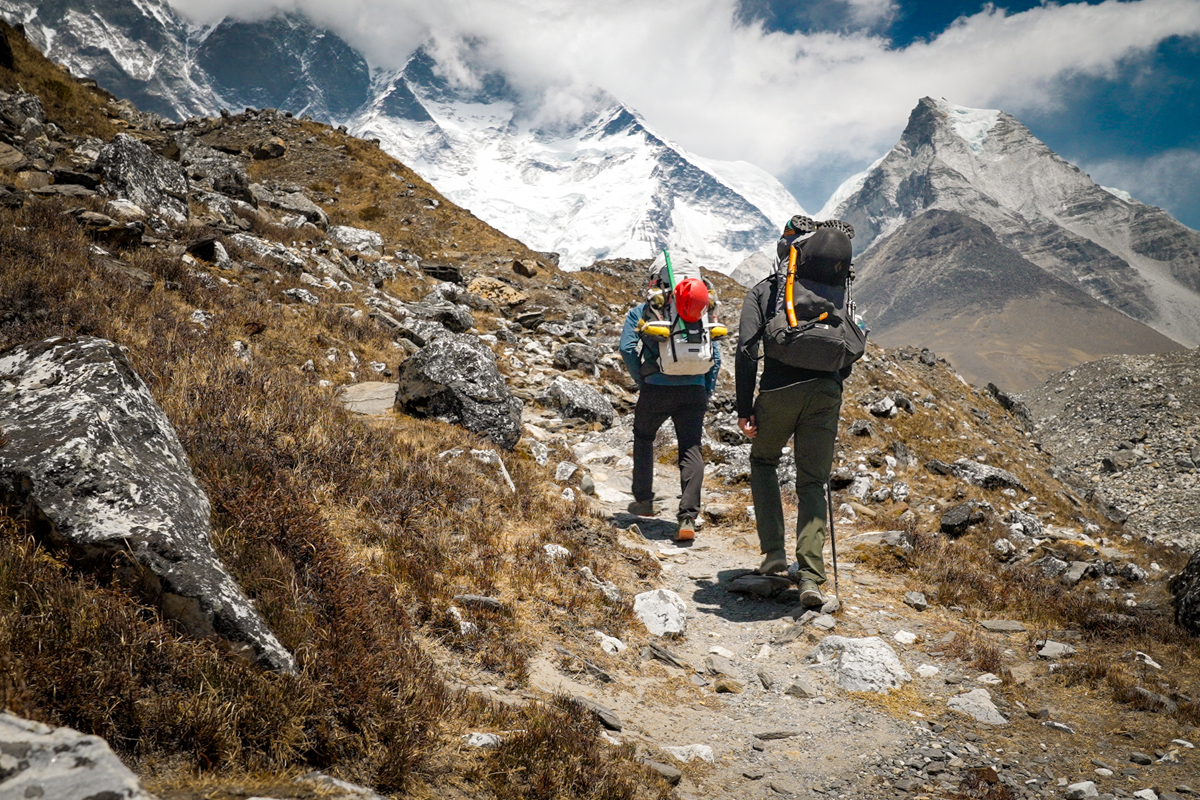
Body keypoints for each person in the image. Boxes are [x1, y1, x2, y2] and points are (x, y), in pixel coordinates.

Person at [735, 215, 858, 608]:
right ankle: (811, 578)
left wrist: (744, 407)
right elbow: (848, 348)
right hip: (826, 392)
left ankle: (774, 554)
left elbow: (746, 350)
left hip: (778, 389)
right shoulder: (838, 291)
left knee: (764, 461)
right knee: (812, 482)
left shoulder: (766, 290)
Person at [619, 253, 722, 542]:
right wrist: (706, 387)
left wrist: (642, 378)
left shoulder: (642, 310)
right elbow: (716, 356)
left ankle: (643, 500)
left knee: (643, 436)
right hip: (694, 389)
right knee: (691, 447)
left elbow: (626, 348)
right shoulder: (703, 313)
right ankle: (688, 516)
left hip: (656, 387)